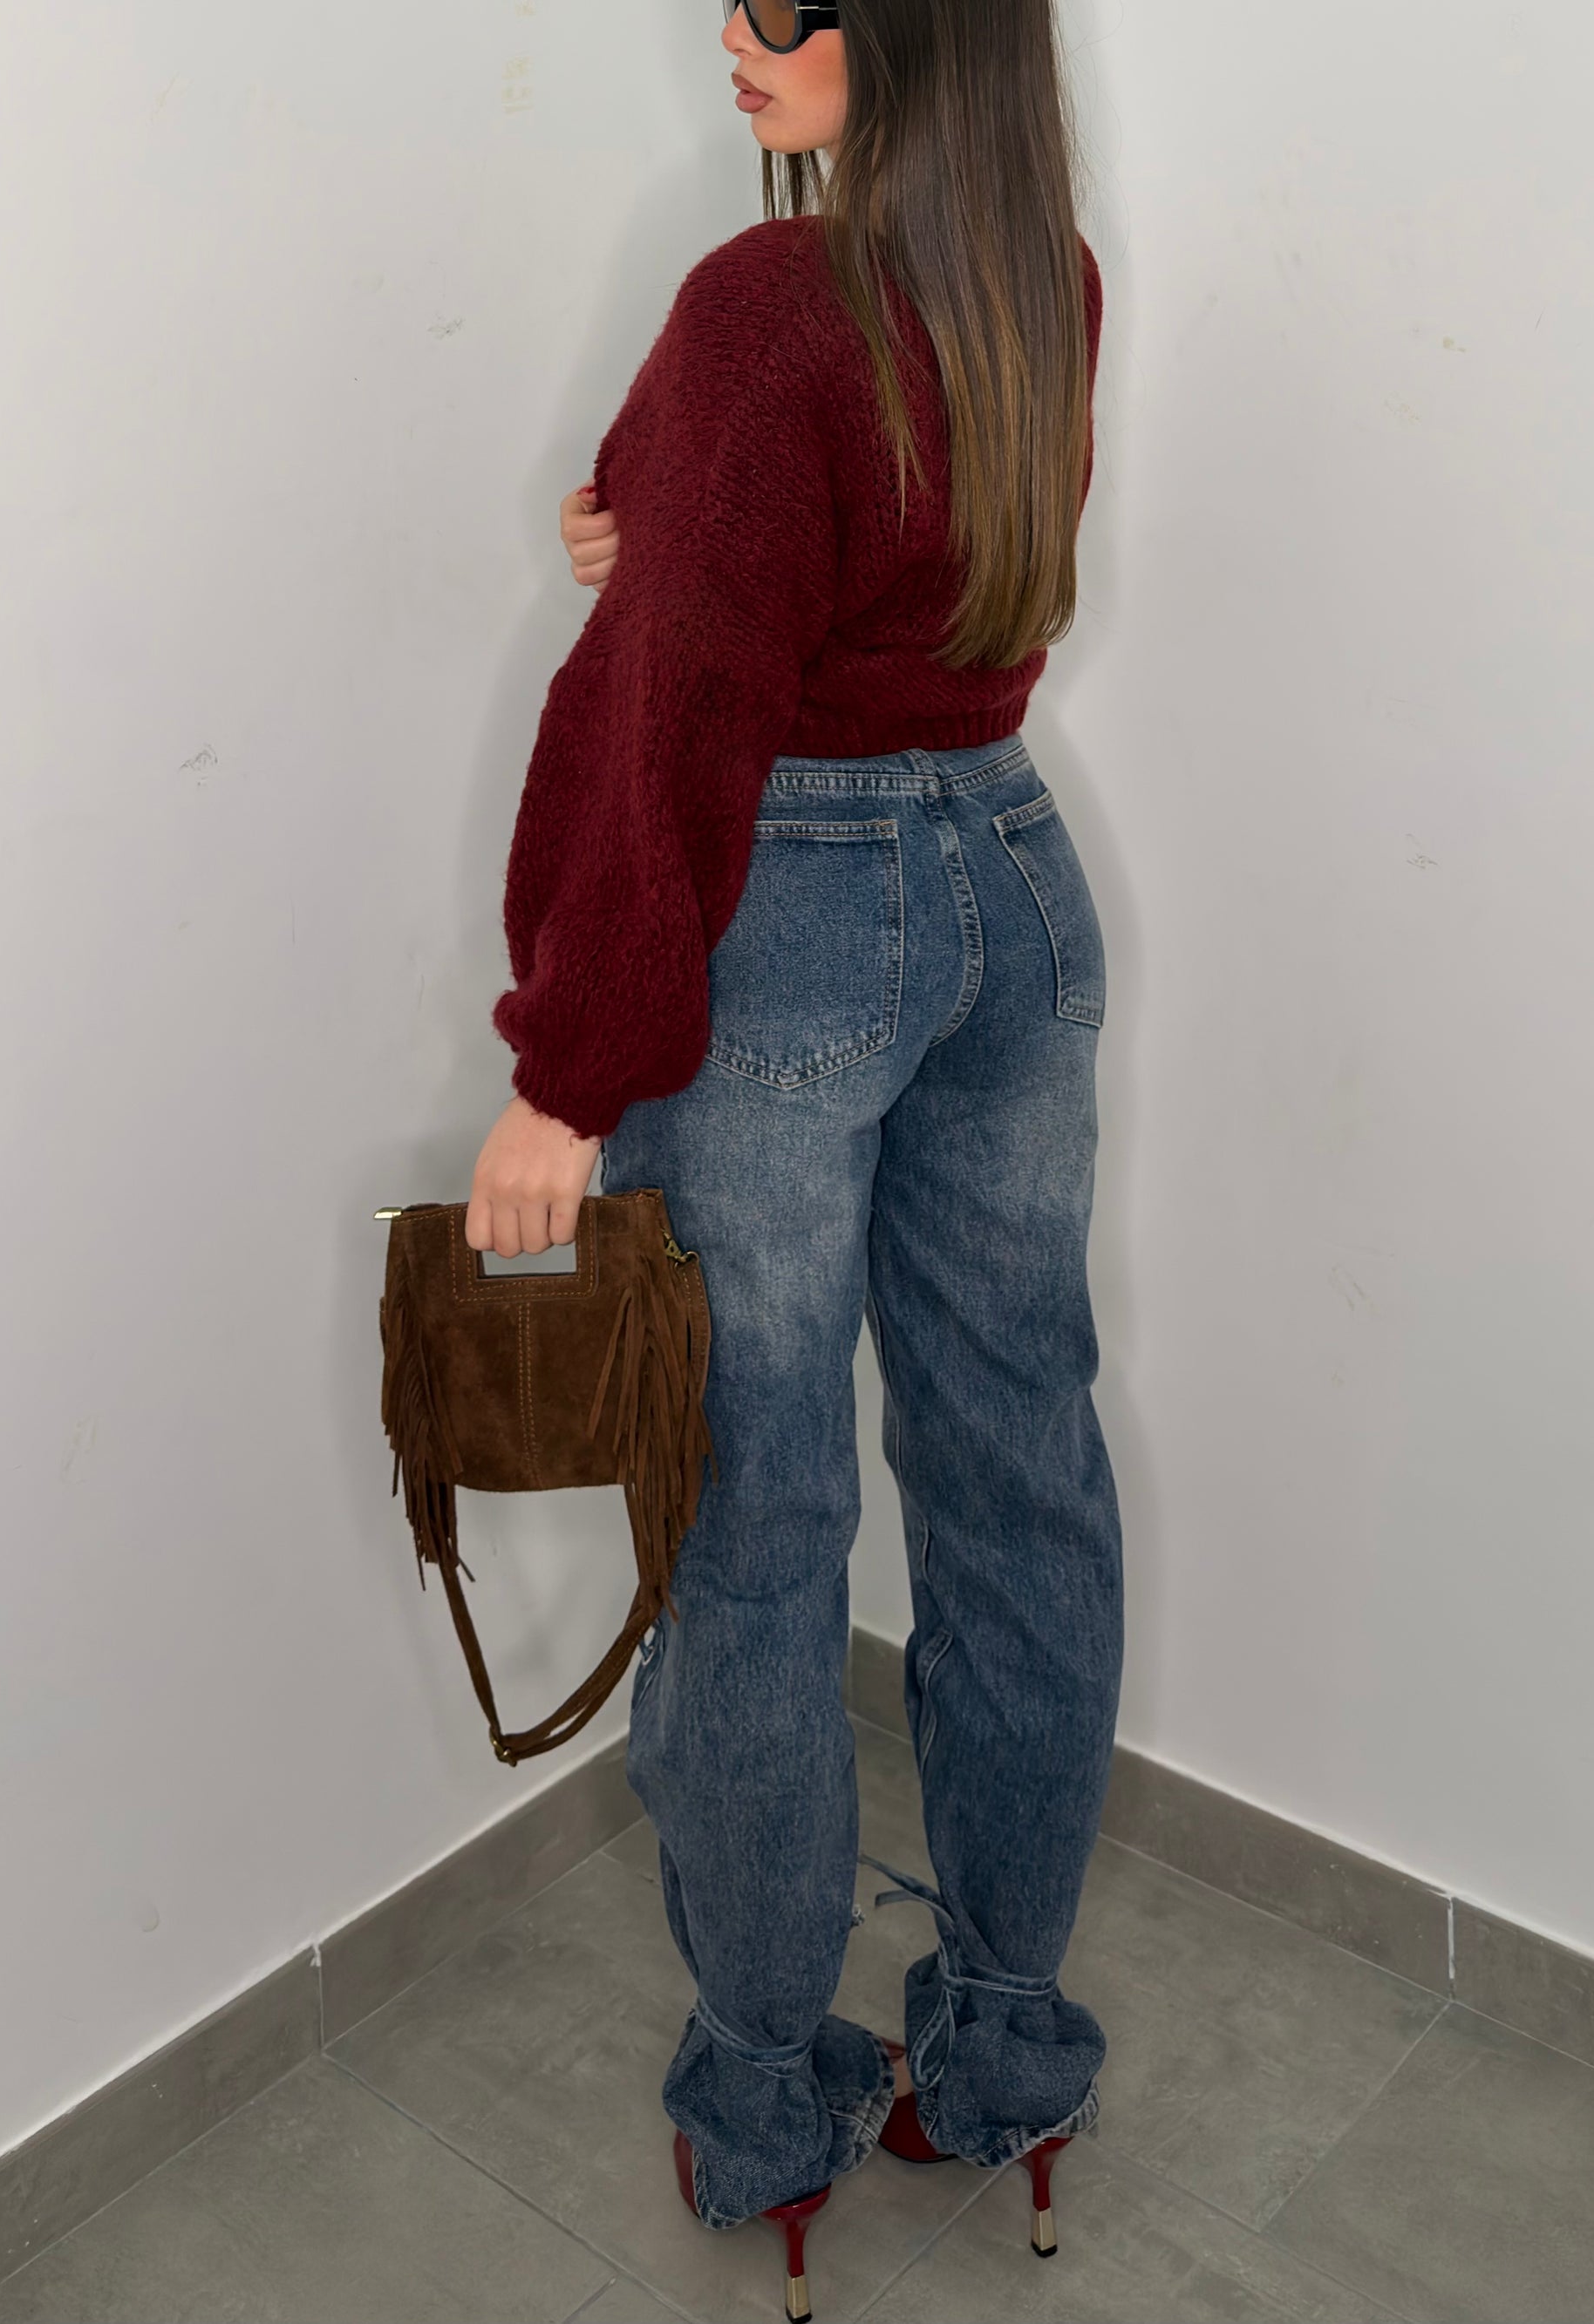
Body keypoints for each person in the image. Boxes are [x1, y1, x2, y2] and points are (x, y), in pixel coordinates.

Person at [468, 2, 1123, 2313]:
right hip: (1011, 887)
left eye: (784, 3)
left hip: (800, 916)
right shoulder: (1038, 272)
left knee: (752, 1534)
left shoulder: (768, 307)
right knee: (1021, 1479)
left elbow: (683, 706)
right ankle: (1011, 2047)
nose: (731, 36)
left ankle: (765, 2101)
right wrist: (642, 531)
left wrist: (569, 1070)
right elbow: (832, 554)